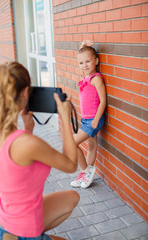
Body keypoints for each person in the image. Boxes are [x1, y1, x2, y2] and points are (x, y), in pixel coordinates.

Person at [0, 62, 80, 240]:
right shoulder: (28, 144)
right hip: (21, 234)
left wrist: (28, 128)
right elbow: (70, 165)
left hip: (1, 225)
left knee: (72, 198)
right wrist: (64, 118)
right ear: (25, 94)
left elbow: (14, 161)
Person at [70, 40, 106, 189]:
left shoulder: (96, 78)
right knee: (92, 146)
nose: (84, 65)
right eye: (81, 63)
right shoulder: (85, 76)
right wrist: (82, 48)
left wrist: (96, 119)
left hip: (93, 120)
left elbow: (103, 101)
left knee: (71, 143)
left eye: (88, 61)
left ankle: (85, 171)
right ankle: (86, 176)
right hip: (86, 119)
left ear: (96, 61)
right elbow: (83, 59)